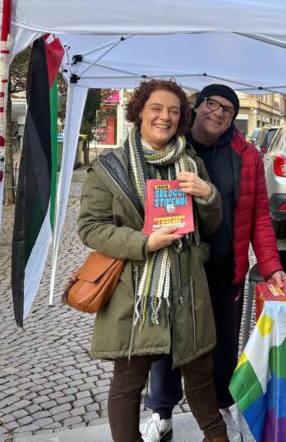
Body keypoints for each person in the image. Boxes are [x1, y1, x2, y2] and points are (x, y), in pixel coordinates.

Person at [77, 79, 228, 442]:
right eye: (157, 109)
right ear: (140, 111)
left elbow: (210, 224)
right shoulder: (110, 168)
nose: (166, 117)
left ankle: (217, 436)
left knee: (201, 371)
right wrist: (144, 242)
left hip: (187, 287)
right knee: (128, 381)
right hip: (135, 291)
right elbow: (90, 228)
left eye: (174, 111)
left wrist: (208, 195)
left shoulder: (190, 163)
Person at [140, 84, 286, 442]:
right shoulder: (171, 144)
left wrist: (272, 266)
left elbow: (259, 219)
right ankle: (161, 413)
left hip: (225, 270)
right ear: (197, 105)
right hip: (172, 267)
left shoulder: (247, 155)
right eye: (212, 104)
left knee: (221, 346)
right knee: (167, 344)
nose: (218, 113)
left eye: (228, 109)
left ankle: (220, 408)